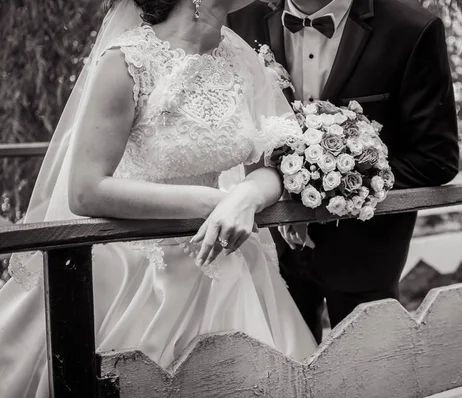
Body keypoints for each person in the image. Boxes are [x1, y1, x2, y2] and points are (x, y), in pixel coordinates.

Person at [0, 0, 317, 396]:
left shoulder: (240, 56)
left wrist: (249, 196)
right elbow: (85, 190)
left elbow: (279, 163)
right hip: (137, 272)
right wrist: (212, 202)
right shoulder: (126, 62)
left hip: (230, 264)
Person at [229, 0, 459, 342]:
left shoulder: (411, 28)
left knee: (370, 376)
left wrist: (329, 189)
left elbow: (437, 158)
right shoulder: (237, 20)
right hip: (266, 250)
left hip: (364, 252)